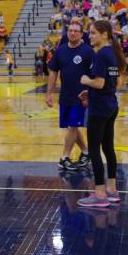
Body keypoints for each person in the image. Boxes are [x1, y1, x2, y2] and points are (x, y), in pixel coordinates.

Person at [77, 20, 125, 207]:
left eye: (93, 33)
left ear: (104, 34)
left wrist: (86, 81)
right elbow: (111, 82)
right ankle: (111, 190)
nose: (90, 36)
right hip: (110, 105)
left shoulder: (101, 55)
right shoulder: (111, 53)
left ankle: (99, 194)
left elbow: (99, 83)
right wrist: (91, 92)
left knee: (94, 150)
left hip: (99, 109)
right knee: (108, 148)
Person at [46, 21, 94, 171]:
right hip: (65, 95)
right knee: (72, 126)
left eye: (76, 31)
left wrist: (91, 94)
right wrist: (49, 93)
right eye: (70, 30)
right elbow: (53, 72)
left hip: (81, 97)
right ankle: (86, 152)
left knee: (73, 126)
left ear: (81, 34)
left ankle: (64, 157)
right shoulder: (60, 51)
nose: (72, 33)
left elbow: (95, 75)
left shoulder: (88, 51)